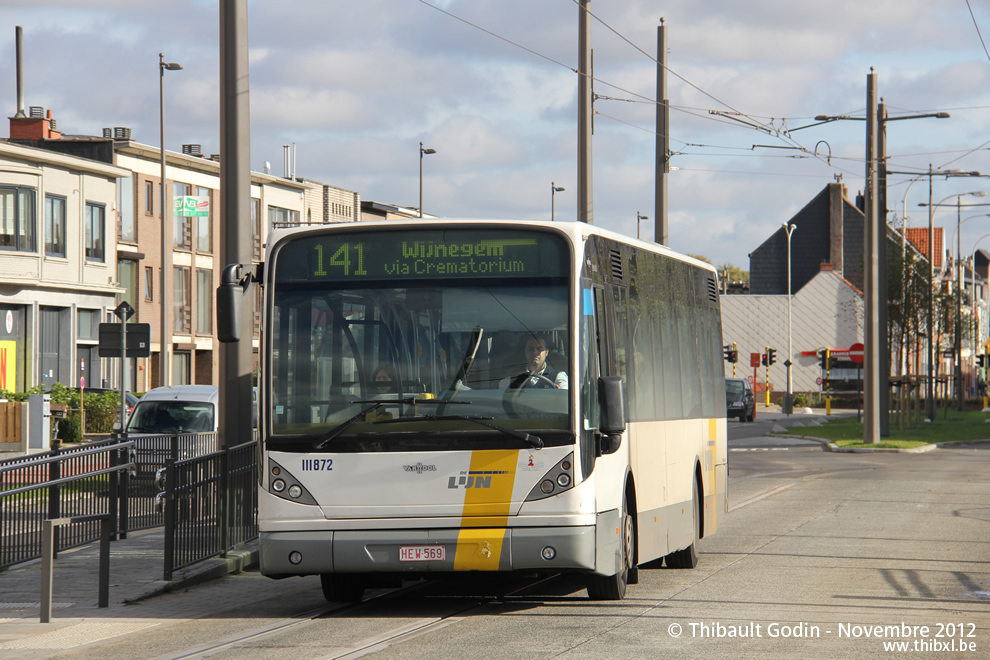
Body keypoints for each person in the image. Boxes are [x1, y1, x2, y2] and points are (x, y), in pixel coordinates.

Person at [501, 334, 568, 390]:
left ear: (546, 352)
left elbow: (565, 398)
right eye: (530, 349)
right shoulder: (512, 379)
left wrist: (558, 393)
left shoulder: (558, 377)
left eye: (539, 349)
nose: (535, 352)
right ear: (525, 351)